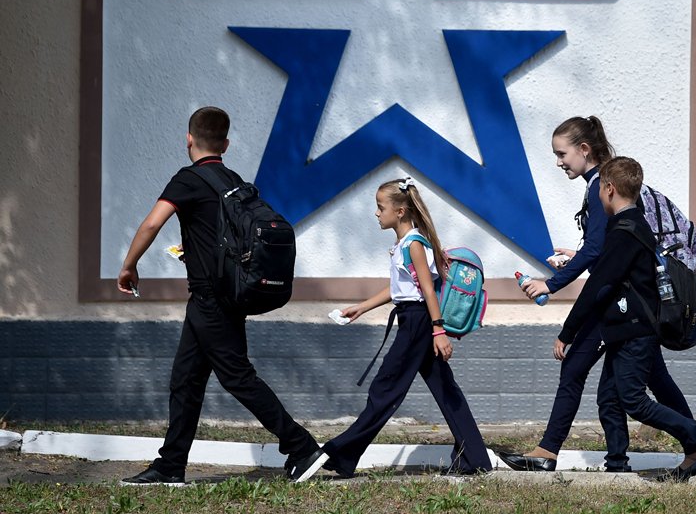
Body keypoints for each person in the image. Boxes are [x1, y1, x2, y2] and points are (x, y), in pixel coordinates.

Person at [117, 106, 324, 485]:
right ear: (225, 144)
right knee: (186, 379)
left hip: (211, 298)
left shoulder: (188, 179)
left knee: (238, 377)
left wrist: (129, 265)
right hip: (221, 295)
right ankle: (171, 464)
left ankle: (301, 446)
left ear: (188, 139)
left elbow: (151, 222)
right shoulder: (232, 180)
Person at [498, 116, 696, 474]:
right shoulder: (601, 184)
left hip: (618, 304)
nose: (559, 162)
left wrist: (551, 284)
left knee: (581, 372)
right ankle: (672, 451)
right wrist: (580, 257)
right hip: (627, 303)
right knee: (646, 382)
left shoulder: (601, 185)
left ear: (584, 149)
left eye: (562, 154)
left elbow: (596, 253)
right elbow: (606, 250)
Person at [294, 177, 492, 481]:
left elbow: (427, 290)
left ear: (399, 211)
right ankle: (475, 458)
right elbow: (400, 288)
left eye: (380, 207)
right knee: (445, 389)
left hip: (417, 323)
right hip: (414, 317)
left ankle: (341, 455)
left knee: (385, 390)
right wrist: (362, 307)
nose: (376, 213)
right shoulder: (405, 244)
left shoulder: (414, 243)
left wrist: (438, 331)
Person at [554, 156, 696, 481]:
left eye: (601, 189)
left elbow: (598, 284)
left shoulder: (625, 230)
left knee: (633, 399)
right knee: (610, 397)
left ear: (609, 190)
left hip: (635, 330)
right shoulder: (632, 226)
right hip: (626, 327)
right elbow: (613, 271)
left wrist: (567, 331)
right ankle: (618, 464)